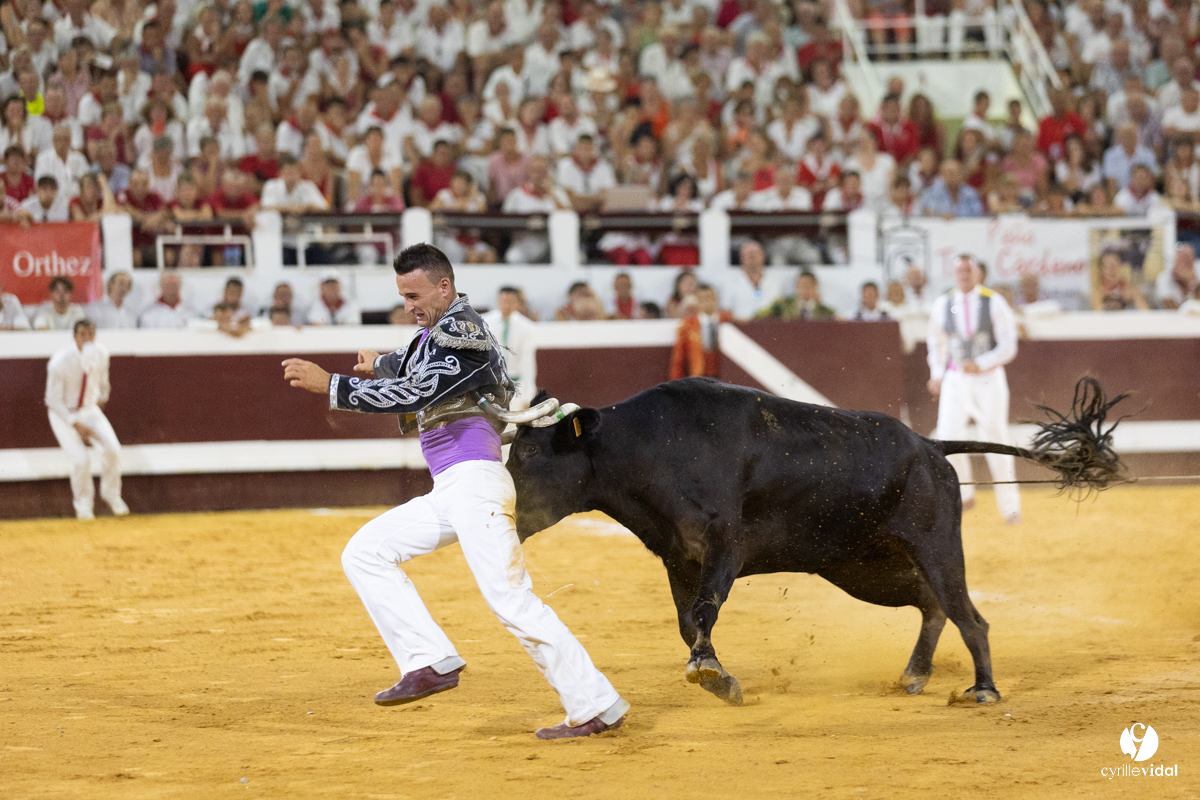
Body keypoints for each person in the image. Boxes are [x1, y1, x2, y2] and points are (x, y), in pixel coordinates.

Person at [281, 243, 629, 740]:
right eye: (403, 296)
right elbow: (416, 361)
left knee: (512, 601)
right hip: (452, 487)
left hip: (476, 483)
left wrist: (331, 385)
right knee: (366, 551)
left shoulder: (463, 327)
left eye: (416, 295)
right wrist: (380, 364)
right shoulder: (439, 332)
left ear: (445, 286)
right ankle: (430, 660)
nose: (409, 306)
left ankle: (595, 703)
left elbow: (422, 388)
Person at [926, 254, 1021, 524]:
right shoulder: (943, 303)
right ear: (954, 273)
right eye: (959, 270)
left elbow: (1008, 345)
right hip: (956, 379)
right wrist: (937, 374)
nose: (964, 275)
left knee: (995, 440)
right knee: (947, 437)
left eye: (969, 270)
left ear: (978, 273)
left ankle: (1010, 507)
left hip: (988, 379)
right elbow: (936, 342)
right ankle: (965, 492)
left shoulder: (994, 301)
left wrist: (981, 363)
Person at [45, 319, 129, 520]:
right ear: (74, 337)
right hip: (63, 414)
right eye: (82, 334)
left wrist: (94, 416)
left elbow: (103, 388)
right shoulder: (60, 361)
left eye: (91, 334)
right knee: (81, 460)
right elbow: (53, 400)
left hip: (89, 411)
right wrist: (76, 424)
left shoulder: (101, 354)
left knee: (112, 448)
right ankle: (83, 506)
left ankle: (112, 494)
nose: (87, 338)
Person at [481, 286, 537, 408]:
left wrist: (529, 395)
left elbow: (527, 362)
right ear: (497, 301)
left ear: (517, 303)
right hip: (489, 384)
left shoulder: (526, 327)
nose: (506, 305)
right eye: (503, 301)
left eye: (510, 301)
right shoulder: (483, 322)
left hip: (514, 384)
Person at [669, 283, 732, 380]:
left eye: (710, 297)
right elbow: (678, 361)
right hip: (699, 376)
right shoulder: (687, 325)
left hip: (724, 376)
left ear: (717, 299)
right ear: (696, 301)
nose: (706, 302)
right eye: (702, 299)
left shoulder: (728, 319)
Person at [756, 271, 836, 320]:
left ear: (815, 287)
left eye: (806, 285)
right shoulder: (783, 305)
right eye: (799, 286)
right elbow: (759, 316)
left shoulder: (826, 311)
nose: (802, 290)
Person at [724, 241, 773, 320]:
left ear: (762, 256)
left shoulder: (774, 281)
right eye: (749, 255)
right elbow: (725, 310)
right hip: (740, 327)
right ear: (741, 258)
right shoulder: (731, 283)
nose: (752, 257)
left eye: (755, 254)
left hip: (769, 327)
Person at [1156, 244, 1198, 310]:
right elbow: (1171, 308)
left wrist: (1193, 283)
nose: (1184, 265)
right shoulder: (1164, 278)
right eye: (1181, 260)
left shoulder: (1197, 273)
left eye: (1187, 261)